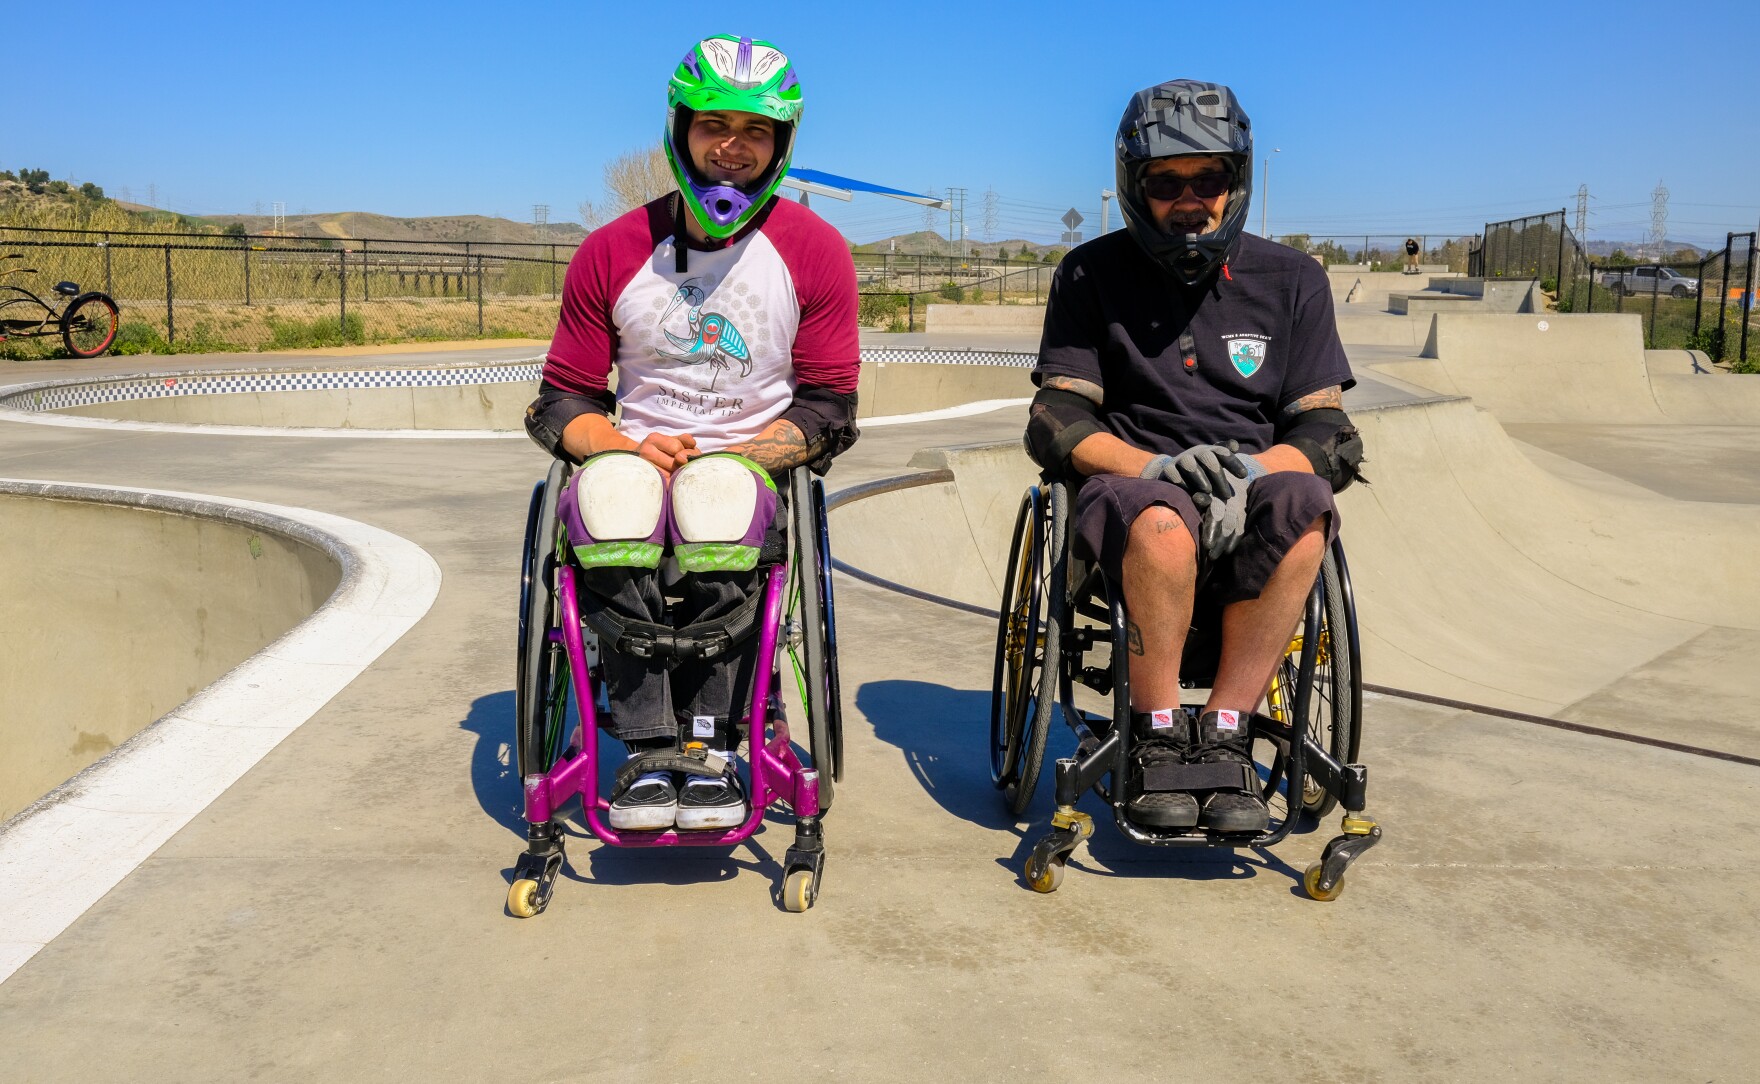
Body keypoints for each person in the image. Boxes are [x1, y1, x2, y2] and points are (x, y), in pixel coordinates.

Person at [524, 34, 859, 831]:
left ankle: (709, 744)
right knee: (612, 498)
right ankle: (646, 745)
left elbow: (826, 406)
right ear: (680, 131)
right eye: (714, 125)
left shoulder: (815, 252)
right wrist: (623, 448)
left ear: (781, 143)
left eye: (756, 131)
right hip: (635, 455)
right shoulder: (610, 251)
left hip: (749, 465)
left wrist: (740, 456)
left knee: (715, 499)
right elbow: (562, 399)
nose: (732, 147)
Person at [1024, 79, 1365, 833]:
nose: (1190, 200)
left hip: (1256, 485)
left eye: (1208, 180)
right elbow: (1057, 416)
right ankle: (1153, 733)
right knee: (1163, 522)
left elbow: (1329, 433)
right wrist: (1150, 469)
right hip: (1134, 490)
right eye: (1166, 182)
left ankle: (1225, 731)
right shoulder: (1089, 272)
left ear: (1235, 182)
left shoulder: (1295, 279)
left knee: (1310, 509)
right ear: (1134, 186)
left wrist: (1252, 472)